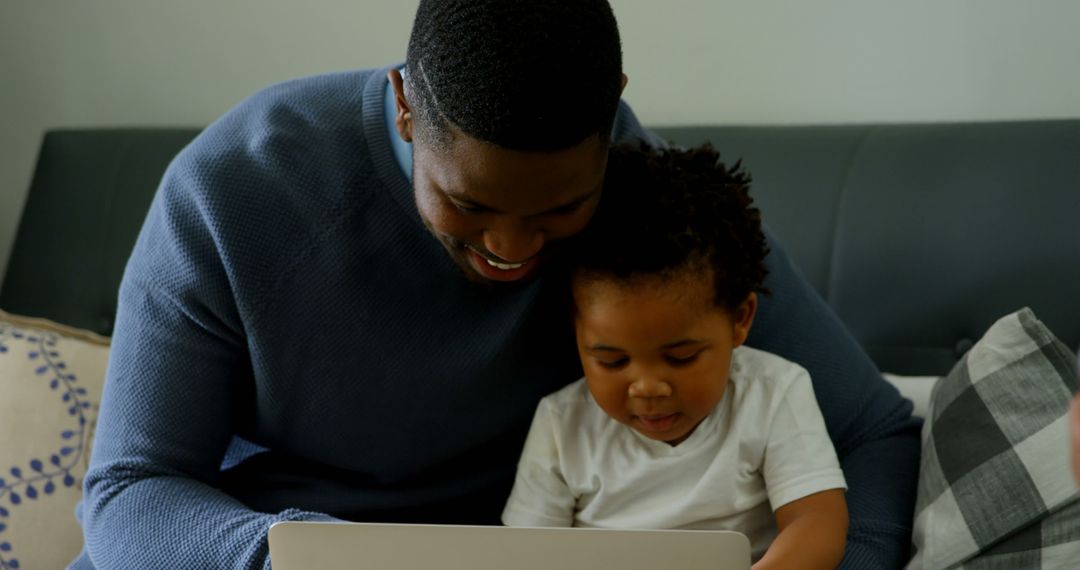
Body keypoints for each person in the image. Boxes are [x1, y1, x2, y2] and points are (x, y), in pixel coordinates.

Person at [72, 1, 920, 568]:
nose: (511, 249)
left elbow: (874, 429)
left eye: (561, 208)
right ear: (405, 105)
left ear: (613, 113)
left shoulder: (652, 197)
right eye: (466, 203)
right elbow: (127, 493)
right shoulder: (233, 191)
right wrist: (294, 556)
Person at [502, 145, 849, 569]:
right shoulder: (561, 425)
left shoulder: (773, 393)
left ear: (740, 319)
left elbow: (817, 521)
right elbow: (524, 555)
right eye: (612, 361)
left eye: (681, 357)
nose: (648, 387)